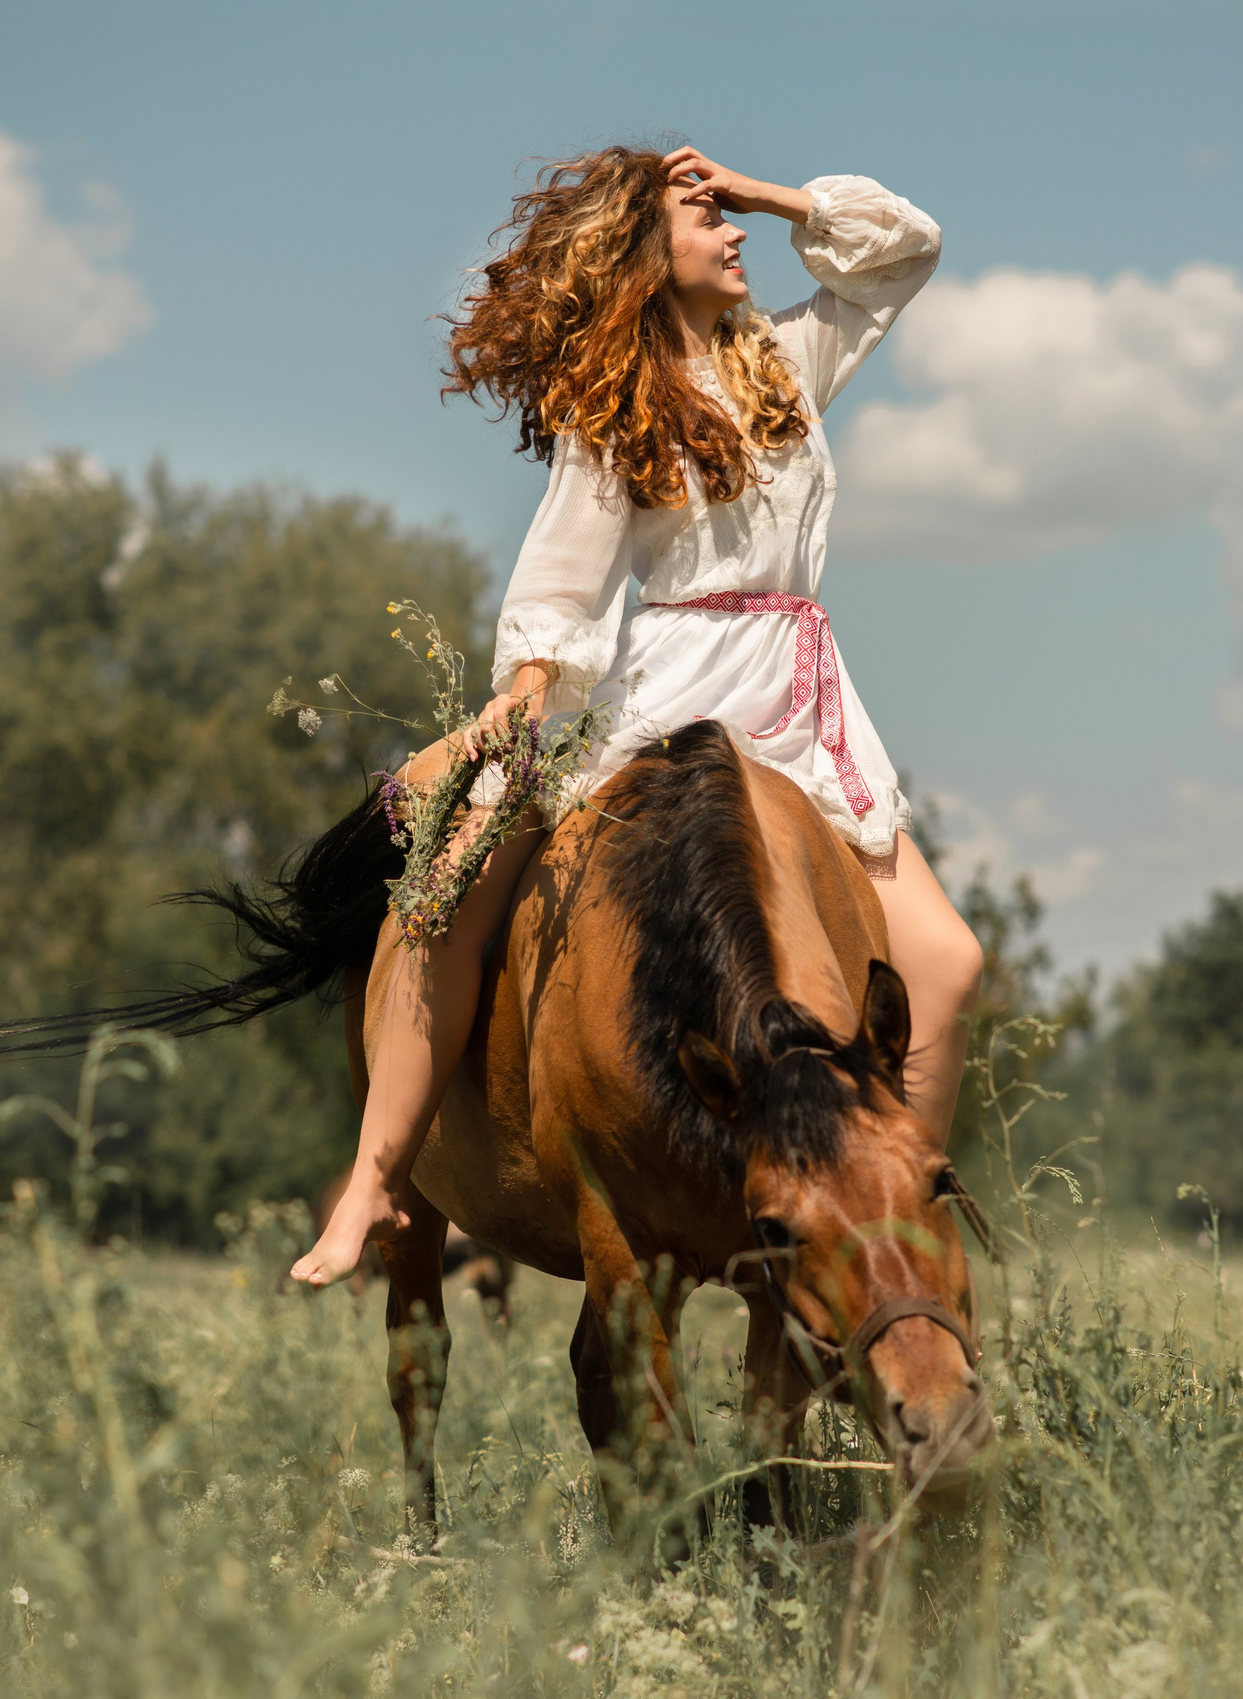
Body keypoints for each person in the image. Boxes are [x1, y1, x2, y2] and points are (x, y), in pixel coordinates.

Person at [291, 144, 982, 1286]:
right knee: (445, 891)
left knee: (947, 963)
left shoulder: (786, 360)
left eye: (730, 212)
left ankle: (886, 1217)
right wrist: (522, 697)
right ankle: (376, 1176)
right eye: (705, 215)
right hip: (673, 688)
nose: (735, 232)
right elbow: (562, 578)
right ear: (642, 254)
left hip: (805, 700)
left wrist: (772, 190)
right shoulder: (613, 405)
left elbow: (907, 248)